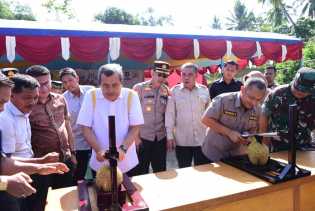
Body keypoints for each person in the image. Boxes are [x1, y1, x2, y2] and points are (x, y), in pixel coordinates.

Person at [0, 72, 69, 211]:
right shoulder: (5, 119)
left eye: (35, 98)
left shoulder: (23, 112)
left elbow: (2, 161)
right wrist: (5, 183)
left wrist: (41, 163)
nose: (2, 108)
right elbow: (4, 165)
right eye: (1, 102)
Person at [77, 64, 144, 176]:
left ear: (121, 83)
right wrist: (98, 150)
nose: (110, 90)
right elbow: (85, 127)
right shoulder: (91, 96)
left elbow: (135, 127)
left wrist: (123, 149)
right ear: (99, 84)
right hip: (100, 163)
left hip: (126, 161)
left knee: (128, 192)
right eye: (106, 85)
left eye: (115, 85)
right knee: (101, 192)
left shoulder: (131, 96)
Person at [25, 65, 76, 211]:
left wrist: (73, 153)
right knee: (41, 203)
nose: (44, 88)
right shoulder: (26, 105)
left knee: (65, 200)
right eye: (39, 84)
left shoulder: (60, 99)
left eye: (47, 83)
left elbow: (67, 127)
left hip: (65, 159)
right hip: (41, 165)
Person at [202, 77, 267, 162]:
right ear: (242, 89)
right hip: (213, 154)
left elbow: (253, 129)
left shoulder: (258, 109)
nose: (254, 103)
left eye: (258, 100)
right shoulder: (223, 100)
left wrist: (248, 136)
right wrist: (229, 133)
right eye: (251, 98)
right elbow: (206, 119)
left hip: (236, 156)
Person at [165, 63, 210, 168]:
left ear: (196, 76)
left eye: (190, 74)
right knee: (184, 171)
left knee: (203, 170)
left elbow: (209, 115)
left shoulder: (204, 90)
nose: (186, 77)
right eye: (183, 74)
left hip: (202, 139)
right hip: (182, 141)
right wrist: (169, 136)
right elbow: (170, 115)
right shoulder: (174, 92)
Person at [260, 67, 315, 152]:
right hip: (278, 146)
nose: (300, 92)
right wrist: (264, 141)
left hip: (304, 146)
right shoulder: (278, 93)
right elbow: (264, 115)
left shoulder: (313, 97)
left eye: (304, 91)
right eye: (297, 89)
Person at [131, 61, 170, 175]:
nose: (162, 78)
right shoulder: (139, 88)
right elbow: (131, 114)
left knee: (160, 170)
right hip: (143, 137)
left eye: (165, 75)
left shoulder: (166, 91)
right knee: (141, 172)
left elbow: (167, 114)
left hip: (160, 138)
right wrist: (135, 138)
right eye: (159, 74)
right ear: (152, 72)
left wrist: (169, 136)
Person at [60, 67, 94, 181]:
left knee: (99, 174)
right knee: (79, 176)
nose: (68, 84)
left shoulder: (91, 92)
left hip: (96, 140)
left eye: (70, 80)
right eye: (64, 82)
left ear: (77, 78)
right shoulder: (63, 99)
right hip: (78, 144)